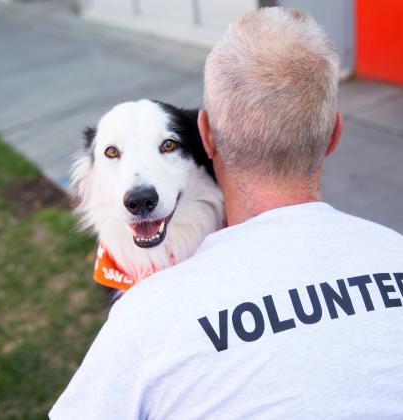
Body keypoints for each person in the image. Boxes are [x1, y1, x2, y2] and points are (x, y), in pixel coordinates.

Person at [50, 7, 403, 419]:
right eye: (113, 154)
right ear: (334, 134)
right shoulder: (394, 250)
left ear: (206, 137)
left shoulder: (142, 322)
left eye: (167, 146)